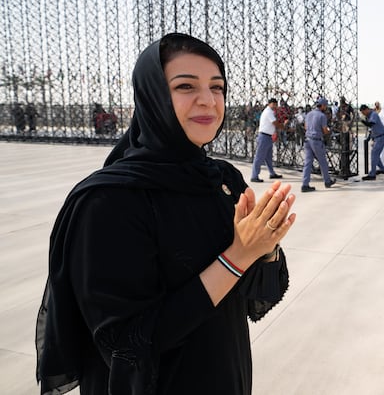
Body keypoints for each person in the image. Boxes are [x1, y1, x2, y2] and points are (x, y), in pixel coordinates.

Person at [35, 33, 296, 395]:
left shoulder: (223, 180)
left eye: (217, 87)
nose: (208, 100)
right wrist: (238, 255)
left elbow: (254, 302)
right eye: (185, 86)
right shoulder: (109, 201)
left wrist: (266, 247)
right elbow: (127, 343)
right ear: (153, 95)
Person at [300, 97, 336, 192]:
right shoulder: (322, 116)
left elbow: (305, 126)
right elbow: (324, 130)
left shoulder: (309, 114)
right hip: (316, 141)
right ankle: (327, 181)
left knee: (307, 163)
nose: (326, 108)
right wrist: (329, 131)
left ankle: (305, 184)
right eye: (326, 106)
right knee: (323, 162)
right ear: (323, 106)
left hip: (307, 140)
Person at [251, 98, 283, 183]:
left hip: (268, 137)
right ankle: (254, 176)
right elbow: (274, 122)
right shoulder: (268, 111)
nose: (275, 106)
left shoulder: (270, 112)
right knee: (259, 157)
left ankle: (272, 173)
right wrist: (283, 127)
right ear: (269, 104)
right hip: (264, 136)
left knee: (268, 157)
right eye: (274, 104)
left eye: (276, 104)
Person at [360, 104, 384, 180]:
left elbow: (371, 124)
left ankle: (372, 174)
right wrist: (370, 138)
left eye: (363, 112)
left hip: (381, 136)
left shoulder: (373, 114)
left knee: (374, 154)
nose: (363, 114)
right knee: (376, 154)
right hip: (376, 137)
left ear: (367, 109)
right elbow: (371, 129)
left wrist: (361, 121)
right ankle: (382, 169)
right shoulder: (368, 116)